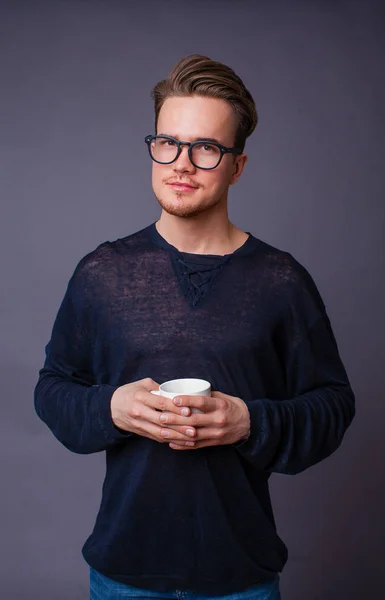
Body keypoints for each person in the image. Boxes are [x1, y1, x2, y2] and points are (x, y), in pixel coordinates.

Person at [34, 54, 355, 600]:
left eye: (206, 148)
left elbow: (333, 405)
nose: (181, 164)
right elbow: (52, 389)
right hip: (122, 576)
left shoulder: (282, 280)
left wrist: (248, 421)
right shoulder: (102, 272)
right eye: (168, 143)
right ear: (153, 148)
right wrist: (110, 408)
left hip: (241, 578)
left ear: (238, 165)